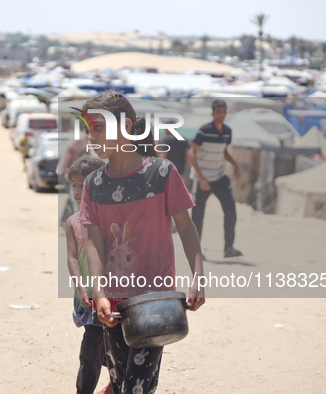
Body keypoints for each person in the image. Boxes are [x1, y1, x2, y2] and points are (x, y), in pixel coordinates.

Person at [78, 91, 205, 394]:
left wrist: (199, 278)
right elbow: (94, 245)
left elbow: (186, 230)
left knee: (134, 387)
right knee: (123, 381)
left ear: (127, 126)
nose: (90, 136)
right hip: (113, 304)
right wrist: (100, 295)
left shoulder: (161, 174)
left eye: (98, 126)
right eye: (87, 129)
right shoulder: (93, 184)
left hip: (155, 304)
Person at [65, 155, 112, 394]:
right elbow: (72, 257)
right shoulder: (72, 222)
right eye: (73, 185)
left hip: (113, 297)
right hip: (89, 300)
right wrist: (80, 286)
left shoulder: (111, 219)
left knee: (114, 349)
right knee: (90, 351)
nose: (76, 190)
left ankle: (115, 385)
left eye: (82, 185)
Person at [188, 99, 243, 258]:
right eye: (218, 111)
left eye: (224, 111)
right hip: (202, 179)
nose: (221, 114)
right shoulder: (204, 130)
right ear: (213, 113)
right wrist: (200, 177)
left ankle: (229, 248)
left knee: (231, 210)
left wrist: (235, 164)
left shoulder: (227, 131)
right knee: (197, 215)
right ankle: (196, 250)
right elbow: (192, 152)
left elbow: (223, 151)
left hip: (219, 177)